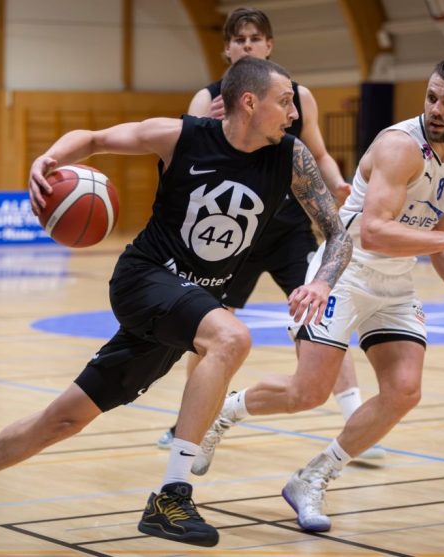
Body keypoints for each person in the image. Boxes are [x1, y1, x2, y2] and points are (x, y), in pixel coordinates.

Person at [0, 57, 353, 555]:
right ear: (250, 102)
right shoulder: (181, 137)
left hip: (185, 304)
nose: (294, 113)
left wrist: (322, 283)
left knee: (62, 420)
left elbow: (338, 233)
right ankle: (172, 495)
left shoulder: (291, 157)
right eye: (285, 102)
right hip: (145, 279)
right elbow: (94, 139)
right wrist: (48, 158)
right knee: (230, 337)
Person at [191, 58, 444, 533]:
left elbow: (441, 244)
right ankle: (223, 414)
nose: (436, 109)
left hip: (395, 283)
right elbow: (375, 232)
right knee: (307, 393)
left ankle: (313, 476)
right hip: (345, 270)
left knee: (404, 391)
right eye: (431, 97)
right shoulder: (399, 146)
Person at [156, 6, 385, 461]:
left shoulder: (297, 97)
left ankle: (352, 414)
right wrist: (211, 125)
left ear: (269, 46)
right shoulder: (207, 99)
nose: (247, 45)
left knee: (323, 317)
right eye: (238, 39)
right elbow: (180, 165)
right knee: (209, 331)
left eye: (254, 38)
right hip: (228, 233)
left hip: (287, 230)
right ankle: (190, 421)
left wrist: (337, 184)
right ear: (226, 49)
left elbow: (319, 153)